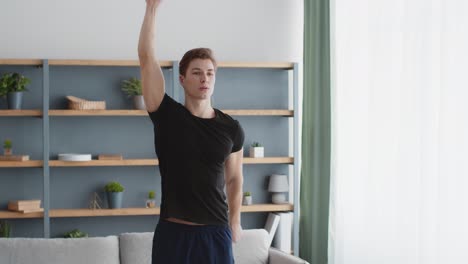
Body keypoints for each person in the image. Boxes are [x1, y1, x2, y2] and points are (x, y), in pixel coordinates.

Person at [138, 0, 244, 263]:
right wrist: (151, 8)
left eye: (209, 73)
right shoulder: (166, 115)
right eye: (197, 73)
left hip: (216, 233)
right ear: (183, 79)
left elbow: (234, 179)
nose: (204, 78)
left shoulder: (231, 127)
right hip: (174, 234)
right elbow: (146, 58)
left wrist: (235, 221)